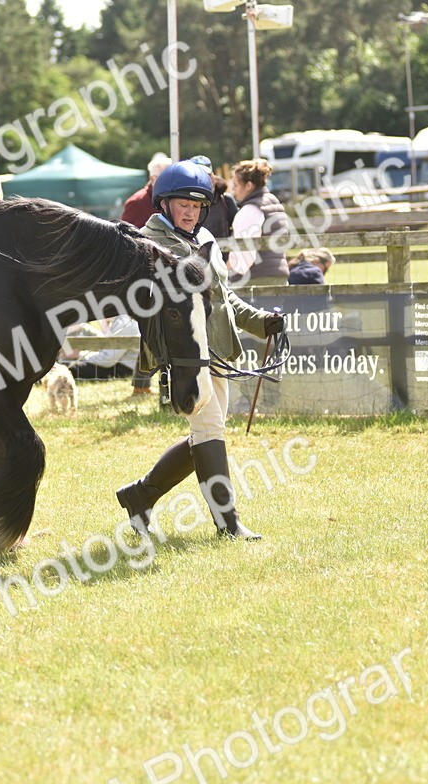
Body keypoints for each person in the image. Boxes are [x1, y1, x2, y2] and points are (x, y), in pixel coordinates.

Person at [116, 160, 285, 541]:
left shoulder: (204, 239)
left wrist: (260, 322)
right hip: (186, 356)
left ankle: (139, 495)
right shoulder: (152, 245)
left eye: (196, 207)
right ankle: (229, 523)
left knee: (206, 433)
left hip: (216, 350)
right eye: (183, 206)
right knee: (209, 430)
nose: (191, 213)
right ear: (164, 205)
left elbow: (223, 299)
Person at [226, 158, 292, 286]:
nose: (233, 189)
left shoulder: (250, 210)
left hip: (255, 280)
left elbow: (243, 258)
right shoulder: (274, 202)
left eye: (236, 185)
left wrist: (225, 268)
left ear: (249, 185)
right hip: (279, 277)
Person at [120, 152, 172, 228]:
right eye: (165, 177)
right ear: (153, 179)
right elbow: (123, 235)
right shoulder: (136, 202)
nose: (170, 181)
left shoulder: (174, 199)